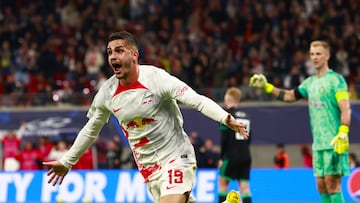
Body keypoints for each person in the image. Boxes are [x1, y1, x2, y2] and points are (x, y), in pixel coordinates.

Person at [43, 31, 247, 203]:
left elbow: (196, 99)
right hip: (149, 169)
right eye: (109, 52)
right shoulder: (106, 93)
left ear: (134, 55)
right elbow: (90, 130)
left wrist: (225, 118)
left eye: (119, 50)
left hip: (176, 158)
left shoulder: (156, 79)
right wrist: (67, 161)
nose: (113, 56)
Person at [249, 40, 351, 203]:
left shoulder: (336, 81)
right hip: (318, 144)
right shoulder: (309, 83)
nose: (315, 57)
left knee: (332, 184)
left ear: (327, 56)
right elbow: (290, 96)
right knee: (321, 186)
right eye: (312, 54)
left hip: (334, 142)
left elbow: (345, 108)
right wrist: (267, 87)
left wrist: (343, 131)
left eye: (318, 54)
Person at [218, 87, 252, 203]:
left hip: (231, 155)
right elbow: (249, 138)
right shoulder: (246, 116)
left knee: (222, 184)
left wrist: (222, 158)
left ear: (227, 99)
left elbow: (224, 139)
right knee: (245, 188)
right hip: (245, 155)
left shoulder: (227, 116)